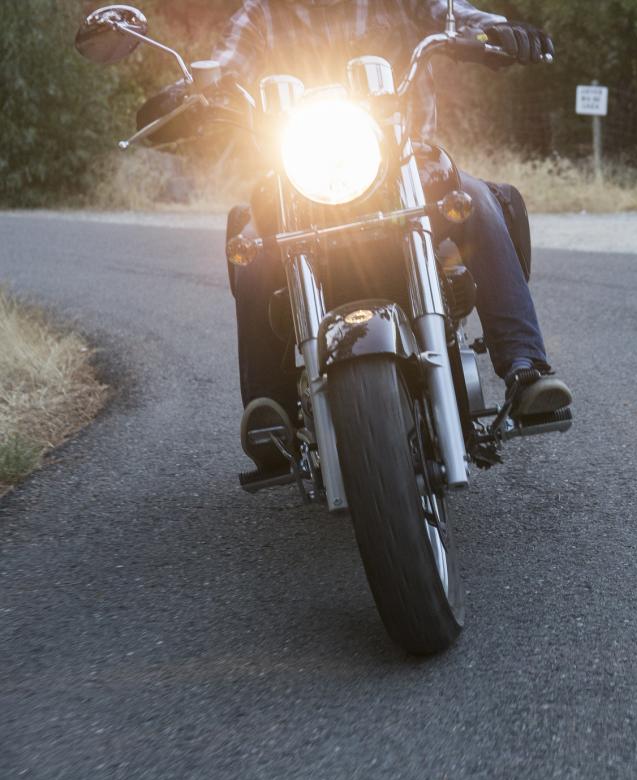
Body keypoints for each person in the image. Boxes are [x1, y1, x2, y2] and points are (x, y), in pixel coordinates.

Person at [141, 0, 571, 479]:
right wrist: (186, 94)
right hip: (300, 180)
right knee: (252, 249)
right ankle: (271, 409)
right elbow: (226, 64)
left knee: (480, 202)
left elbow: (453, 16)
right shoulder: (263, 13)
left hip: (407, 165)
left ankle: (525, 367)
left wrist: (498, 33)